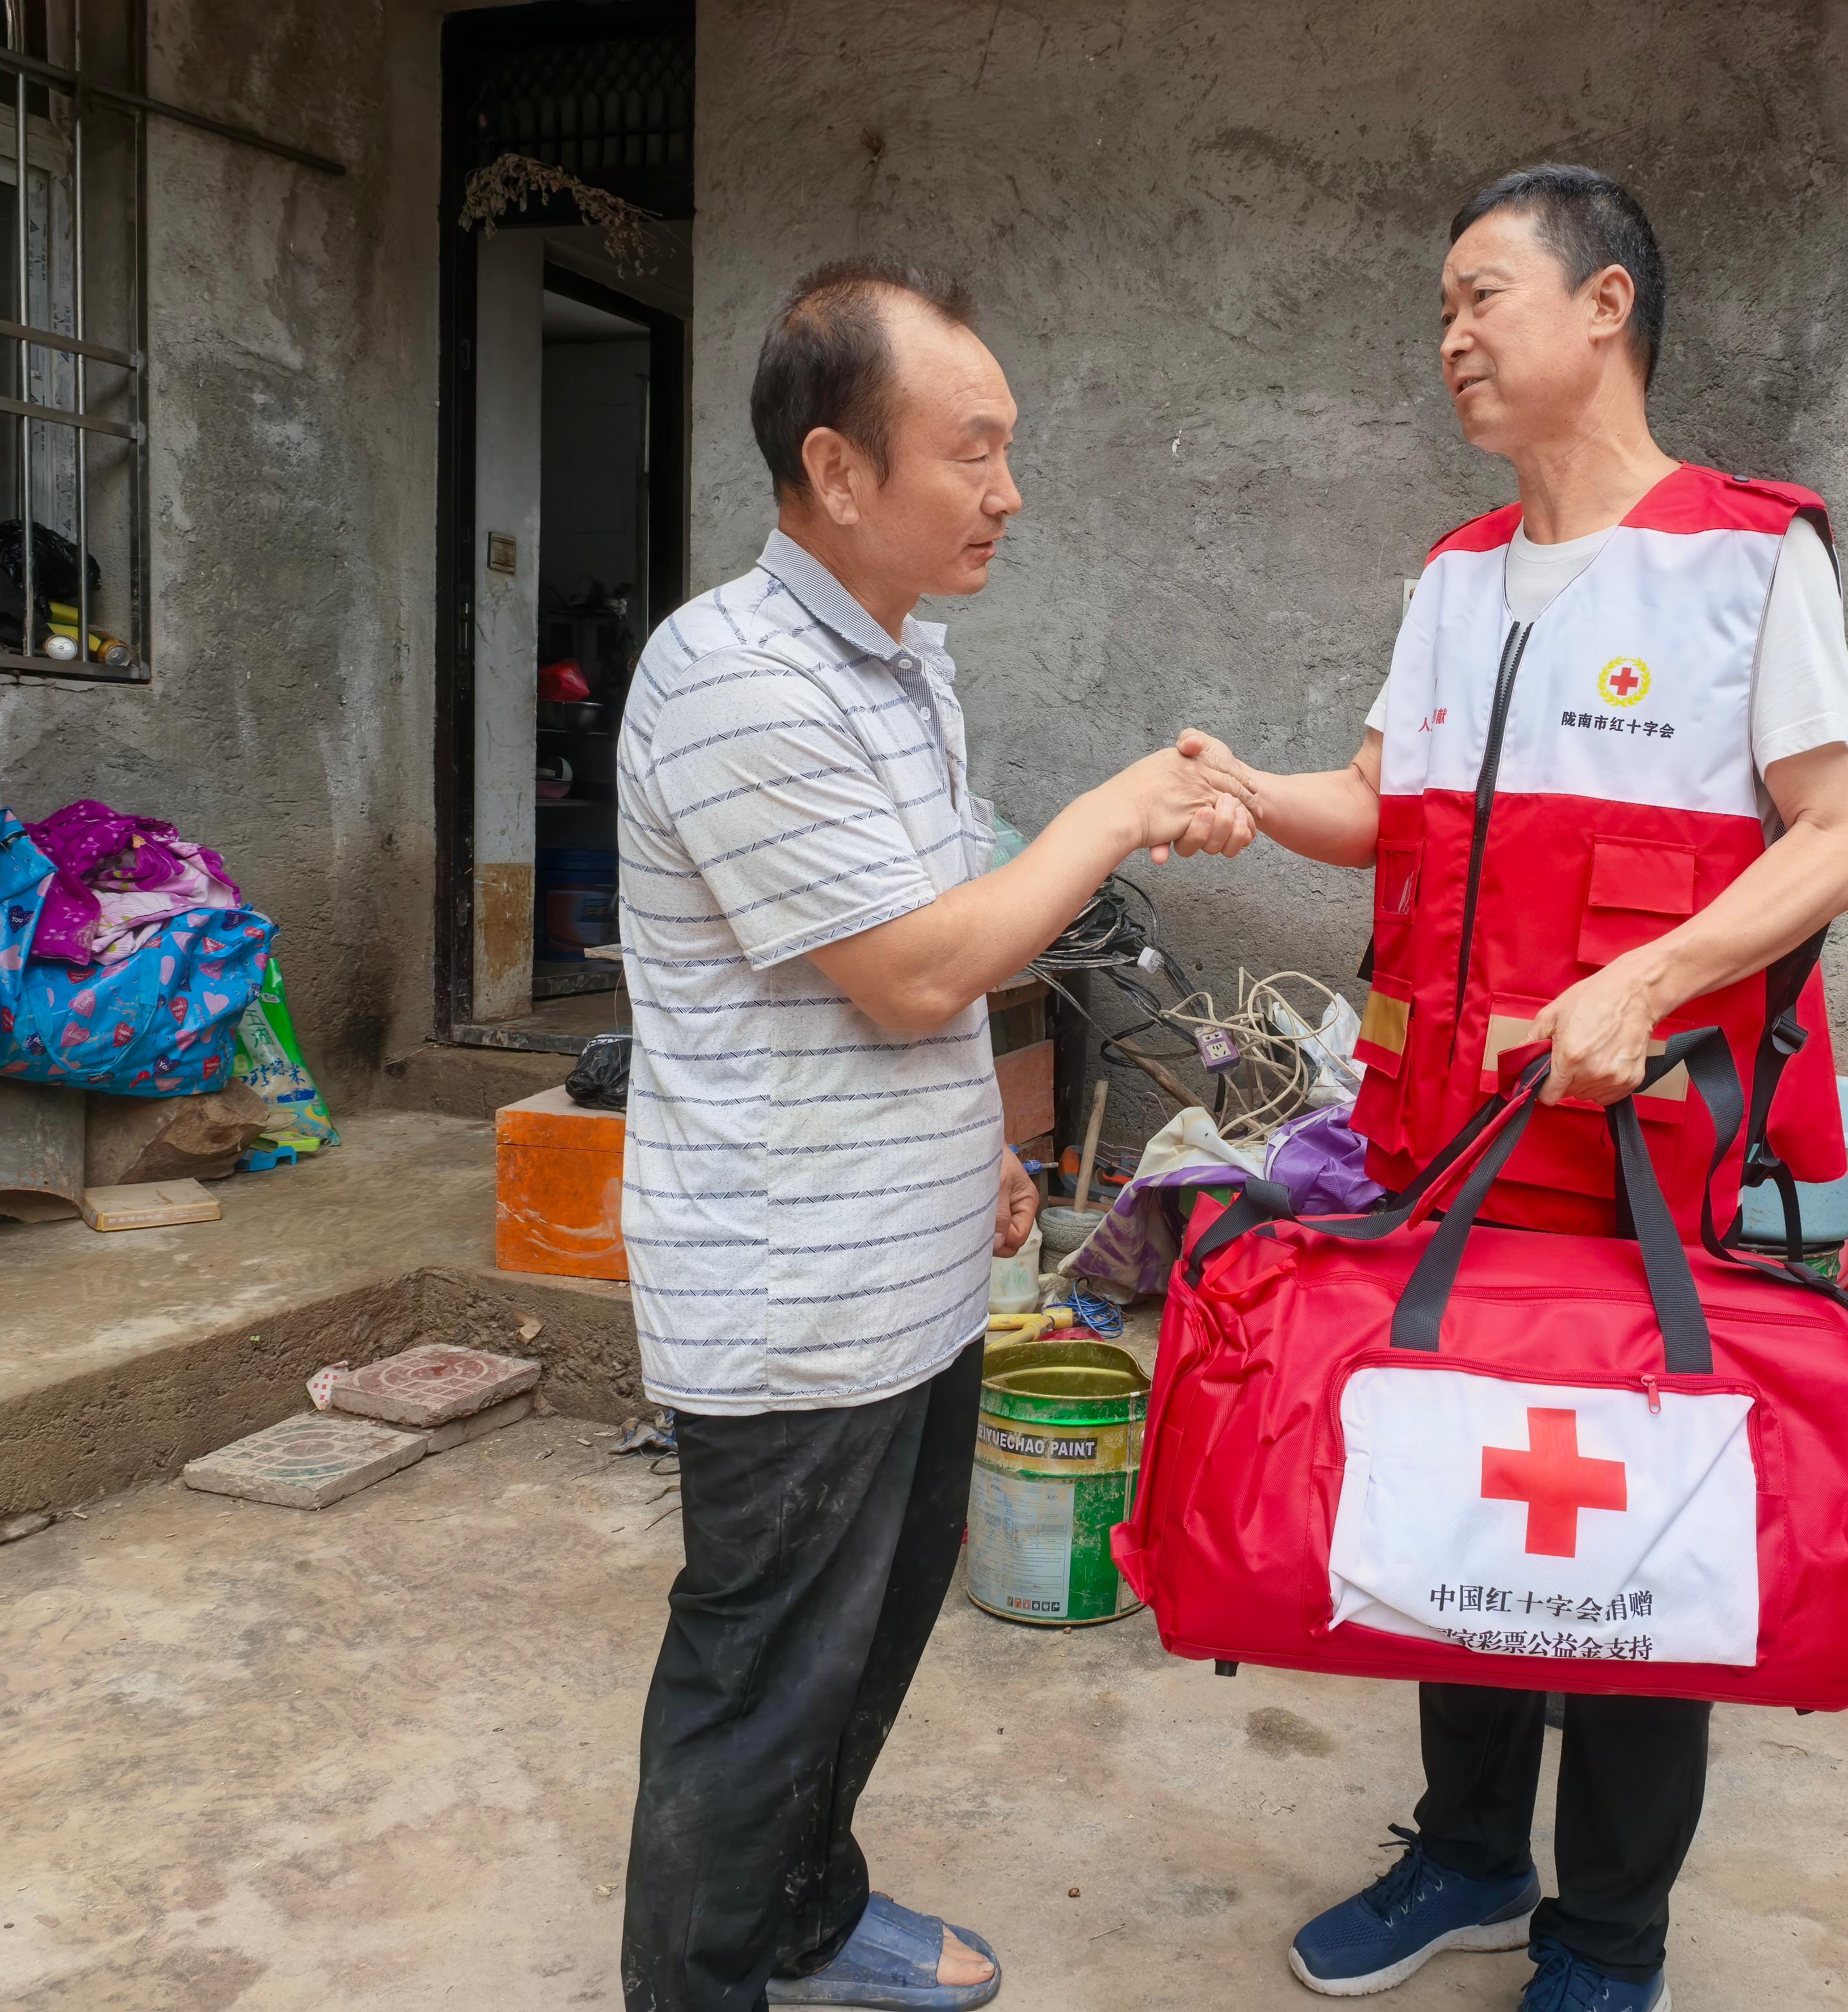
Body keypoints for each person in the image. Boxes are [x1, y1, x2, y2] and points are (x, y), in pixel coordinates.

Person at [1180, 166, 1848, 2012]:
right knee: (1458, 1512)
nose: (1454, 337)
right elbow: (1379, 810)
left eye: (1484, 293)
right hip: (1444, 1152)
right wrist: (1250, 788)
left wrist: (1646, 979)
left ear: (1608, 306)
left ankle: (1610, 1935)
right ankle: (1476, 1859)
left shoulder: (1750, 556)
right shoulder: (1455, 576)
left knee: (1633, 1543)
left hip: (1638, 1168)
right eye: (1441, 309)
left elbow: (1840, 837)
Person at [614, 260, 1251, 2012]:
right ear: (837, 472)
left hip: (901, 1268)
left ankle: (805, 1923)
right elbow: (910, 971)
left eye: (1009, 447)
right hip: (791, 1292)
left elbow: (945, 944)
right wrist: (1114, 808)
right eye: (972, 451)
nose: (1008, 491)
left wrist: (985, 1147)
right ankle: (702, 1981)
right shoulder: (731, 676)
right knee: (759, 1683)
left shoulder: (903, 672)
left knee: (869, 1645)